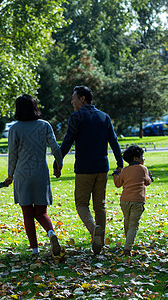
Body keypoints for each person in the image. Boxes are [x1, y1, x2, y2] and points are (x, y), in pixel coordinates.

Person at [54, 85, 123, 255]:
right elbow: (114, 141)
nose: (72, 101)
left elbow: (68, 141)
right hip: (102, 168)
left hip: (84, 168)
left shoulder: (77, 117)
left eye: (74, 98)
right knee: (100, 205)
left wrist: (58, 163)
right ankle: (100, 243)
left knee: (81, 204)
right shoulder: (104, 116)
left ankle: (94, 232)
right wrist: (119, 163)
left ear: (82, 98)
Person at [8, 94, 63, 256]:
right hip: (41, 173)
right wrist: (58, 165)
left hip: (22, 173)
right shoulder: (44, 126)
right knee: (41, 212)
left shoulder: (15, 129)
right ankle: (51, 233)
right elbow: (55, 148)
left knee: (28, 215)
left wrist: (10, 175)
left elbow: (13, 154)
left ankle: (35, 249)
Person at [112, 145, 153, 257]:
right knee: (133, 225)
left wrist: (116, 174)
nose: (143, 159)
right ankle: (127, 249)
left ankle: (127, 243)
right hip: (137, 200)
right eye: (142, 156)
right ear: (136, 158)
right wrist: (150, 177)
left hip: (124, 200)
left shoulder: (125, 170)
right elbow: (147, 182)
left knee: (127, 221)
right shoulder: (143, 169)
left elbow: (118, 183)